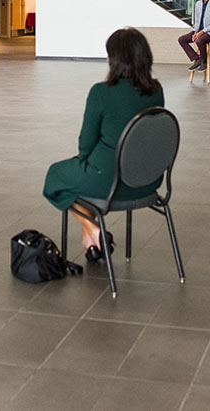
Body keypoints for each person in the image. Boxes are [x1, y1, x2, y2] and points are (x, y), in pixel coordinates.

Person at [43, 28, 165, 259]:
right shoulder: (156, 90)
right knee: (84, 182)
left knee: (55, 177)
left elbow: (86, 145)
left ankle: (93, 229)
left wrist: (85, 165)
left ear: (114, 60)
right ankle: (91, 242)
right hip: (147, 181)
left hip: (109, 181)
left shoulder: (101, 92)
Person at [177, 0, 210, 71]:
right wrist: (195, 32)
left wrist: (202, 32)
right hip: (199, 31)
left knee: (199, 40)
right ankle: (197, 59)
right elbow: (196, 21)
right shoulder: (198, 4)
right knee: (182, 39)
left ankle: (204, 63)